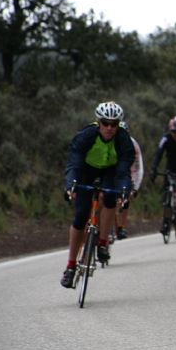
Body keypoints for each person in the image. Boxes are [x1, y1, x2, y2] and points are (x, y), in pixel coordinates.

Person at [60, 102, 134, 288]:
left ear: (119, 124)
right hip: (86, 170)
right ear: (98, 122)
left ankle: (102, 242)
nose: (109, 128)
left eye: (114, 124)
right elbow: (74, 163)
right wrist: (70, 185)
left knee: (110, 198)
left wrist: (125, 189)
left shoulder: (124, 139)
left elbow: (124, 170)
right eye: (105, 123)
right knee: (80, 216)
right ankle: (70, 267)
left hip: (110, 170)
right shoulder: (86, 135)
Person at [115, 121, 144, 240]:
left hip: (127, 172)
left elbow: (138, 168)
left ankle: (121, 226)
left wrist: (135, 187)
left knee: (124, 196)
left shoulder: (133, 144)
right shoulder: (108, 140)